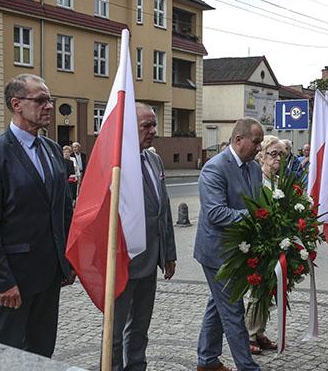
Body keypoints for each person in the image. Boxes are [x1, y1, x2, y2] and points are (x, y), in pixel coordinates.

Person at [0, 74, 75, 358]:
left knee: (42, 351)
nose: (49, 106)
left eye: (50, 100)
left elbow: (64, 211)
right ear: (16, 104)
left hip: (49, 275)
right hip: (13, 280)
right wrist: (3, 281)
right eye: (41, 100)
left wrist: (67, 261)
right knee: (9, 354)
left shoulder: (52, 150)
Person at [194, 117, 264, 371]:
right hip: (217, 253)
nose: (259, 148)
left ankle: (207, 360)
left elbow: (258, 203)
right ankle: (247, 367)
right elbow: (217, 214)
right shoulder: (215, 168)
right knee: (233, 310)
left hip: (240, 251)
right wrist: (257, 217)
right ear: (238, 140)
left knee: (218, 305)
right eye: (256, 142)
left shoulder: (254, 168)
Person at [112, 104, 177, 371]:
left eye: (154, 125)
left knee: (140, 326)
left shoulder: (153, 159)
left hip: (150, 260)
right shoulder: (115, 163)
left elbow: (164, 211)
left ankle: (137, 366)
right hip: (122, 262)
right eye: (146, 126)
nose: (153, 131)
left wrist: (169, 253)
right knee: (114, 331)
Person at [243, 135, 283, 355]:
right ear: (262, 156)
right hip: (258, 243)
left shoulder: (280, 181)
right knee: (256, 290)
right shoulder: (257, 178)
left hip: (275, 242)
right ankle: (248, 334)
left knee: (269, 289)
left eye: (281, 154)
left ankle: (259, 331)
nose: (277, 158)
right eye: (273, 153)